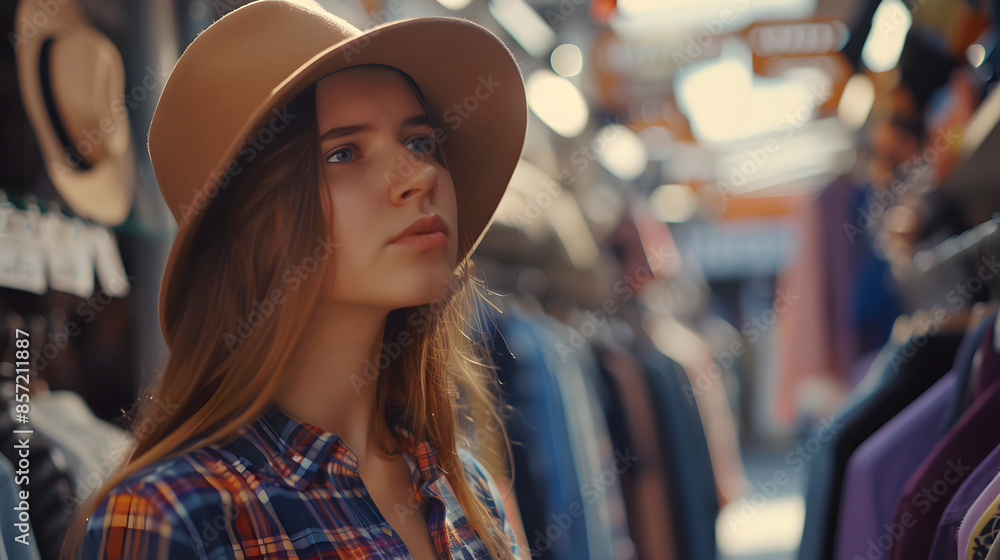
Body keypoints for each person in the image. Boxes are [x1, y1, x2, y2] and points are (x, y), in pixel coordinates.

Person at [64, 1, 530, 558]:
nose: (422, 175)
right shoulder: (175, 514)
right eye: (345, 153)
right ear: (257, 226)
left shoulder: (466, 490)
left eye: (420, 141)